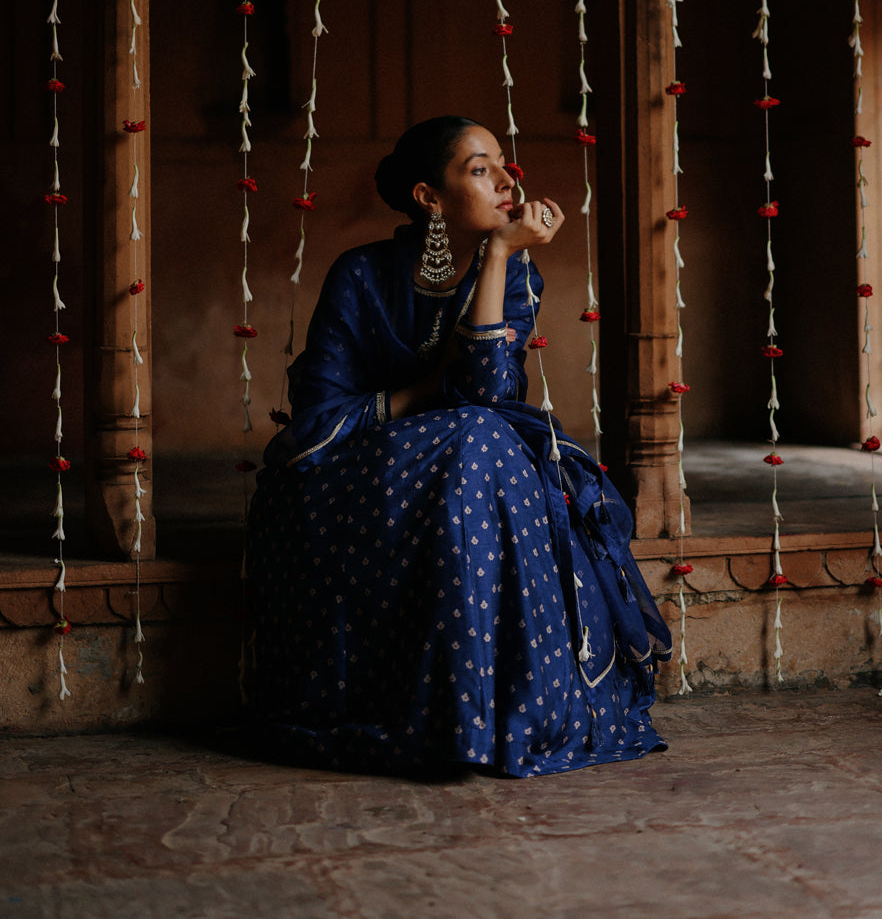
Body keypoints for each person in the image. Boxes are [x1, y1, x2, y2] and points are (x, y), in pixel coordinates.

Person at [245, 116, 671, 777]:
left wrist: (499, 255)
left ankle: (485, 717)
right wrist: (420, 394)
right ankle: (435, 718)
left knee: (480, 440)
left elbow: (485, 391)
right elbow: (317, 422)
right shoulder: (360, 275)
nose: (508, 180)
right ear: (429, 197)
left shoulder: (511, 274)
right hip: (364, 470)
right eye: (479, 168)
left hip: (470, 466)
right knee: (473, 440)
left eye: (504, 163)